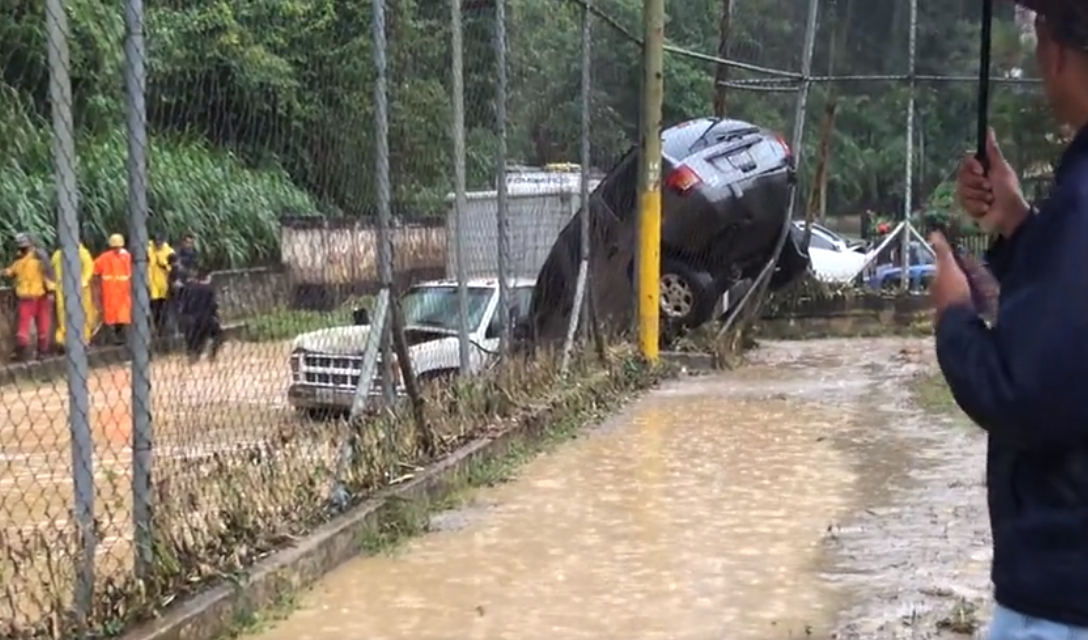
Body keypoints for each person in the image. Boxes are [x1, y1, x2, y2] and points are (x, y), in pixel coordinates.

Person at [934, 2, 1088, 638]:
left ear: (1053, 48)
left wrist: (954, 317)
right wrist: (1020, 225)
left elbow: (1023, 393)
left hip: (1064, 594)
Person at [2, 233, 55, 360]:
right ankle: (42, 353)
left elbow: (9, 272)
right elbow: (50, 277)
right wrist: (52, 292)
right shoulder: (40, 261)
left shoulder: (22, 263)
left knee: (24, 326)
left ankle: (21, 352)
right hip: (40, 297)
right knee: (43, 325)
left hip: (28, 299)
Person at [51, 240, 97, 349]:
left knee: (63, 315)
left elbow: (51, 269)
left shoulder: (58, 253)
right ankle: (83, 339)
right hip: (79, 289)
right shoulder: (82, 253)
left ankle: (64, 339)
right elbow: (89, 268)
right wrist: (84, 281)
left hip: (63, 288)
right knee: (83, 314)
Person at [94, 234, 132, 345]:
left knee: (122, 316)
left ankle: (119, 336)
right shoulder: (105, 257)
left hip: (123, 291)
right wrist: (97, 288)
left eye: (118, 247)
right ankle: (113, 338)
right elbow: (95, 271)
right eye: (114, 247)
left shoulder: (127, 256)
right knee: (110, 315)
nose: (116, 249)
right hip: (109, 291)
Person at [179, 266, 223, 363]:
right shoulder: (209, 289)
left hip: (192, 318)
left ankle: (193, 356)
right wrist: (216, 316)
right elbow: (213, 305)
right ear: (207, 277)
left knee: (195, 339)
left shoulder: (189, 287)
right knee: (218, 335)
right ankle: (212, 354)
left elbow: (184, 304)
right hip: (206, 317)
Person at [148, 233, 175, 337]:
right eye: (156, 243)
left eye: (160, 242)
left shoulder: (169, 251)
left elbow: (174, 267)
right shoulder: (148, 250)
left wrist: (164, 265)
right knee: (155, 309)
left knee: (165, 309)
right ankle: (157, 329)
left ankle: (163, 330)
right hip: (152, 285)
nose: (158, 244)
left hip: (165, 284)